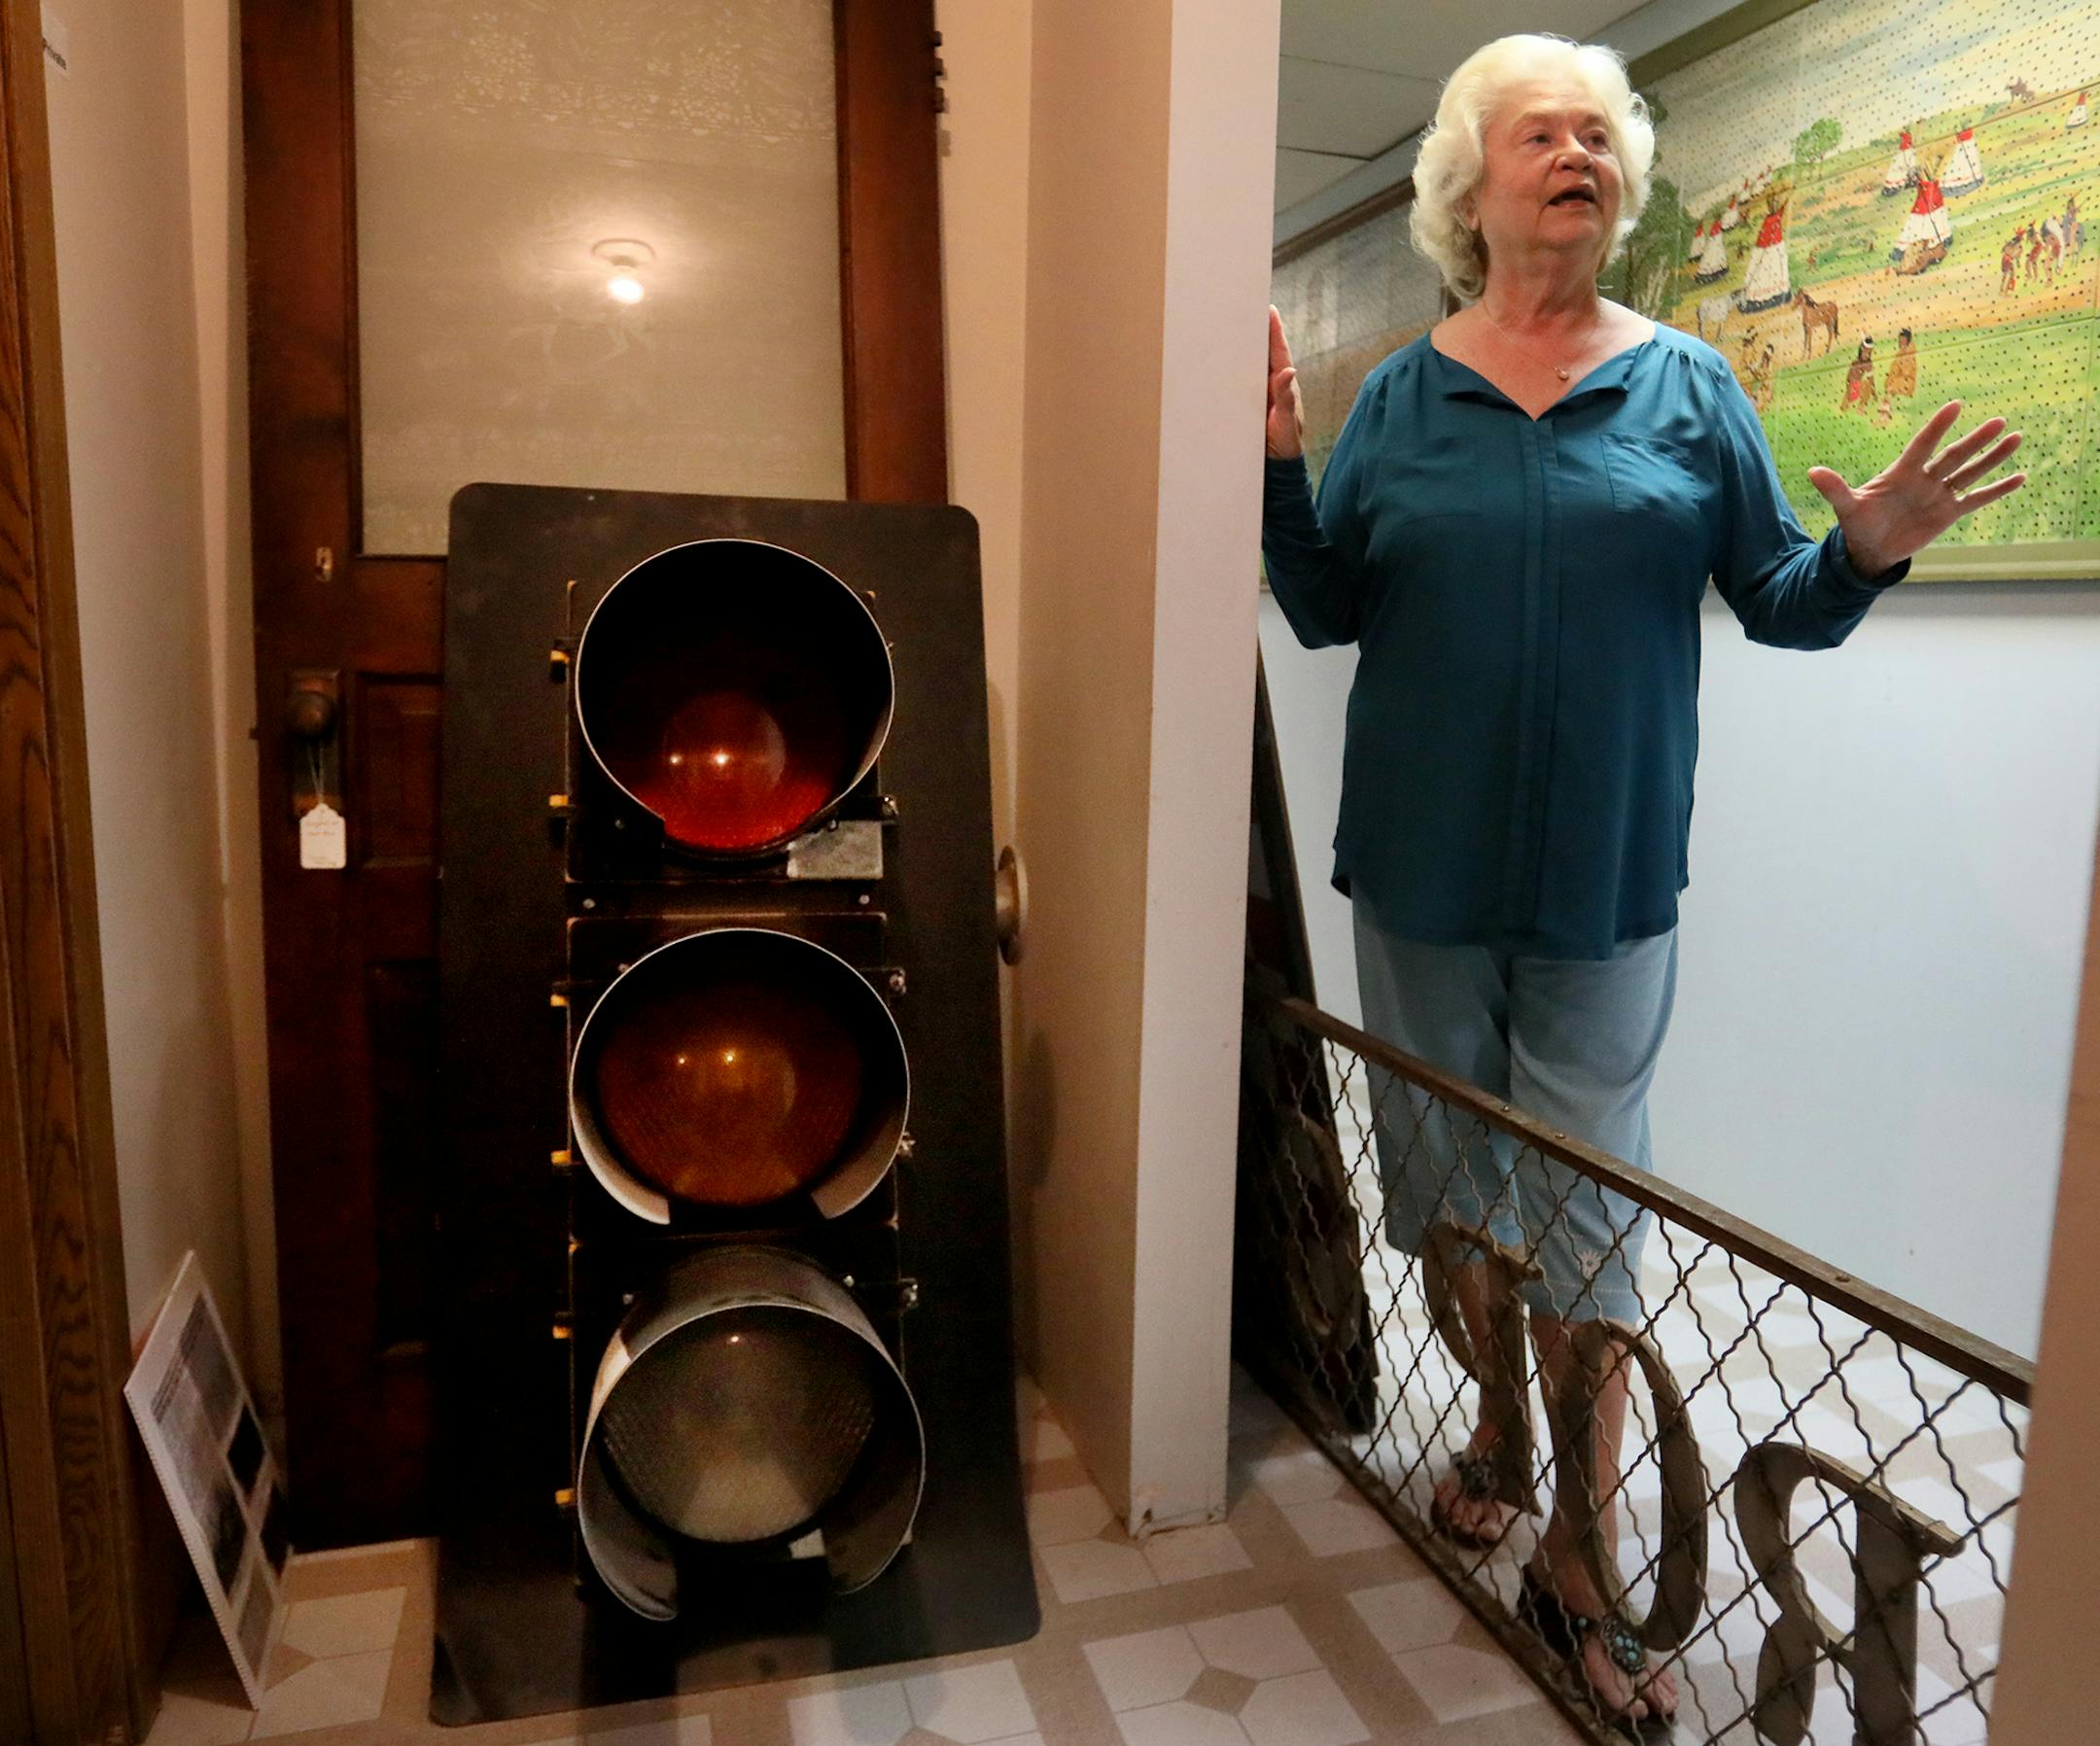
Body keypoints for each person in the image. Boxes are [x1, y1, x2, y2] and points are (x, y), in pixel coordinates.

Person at [1260, 31, 2024, 1734]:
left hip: (1610, 874)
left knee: (1593, 1210)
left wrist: (1870, 550)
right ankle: (1498, 1435)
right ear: (1473, 182)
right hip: (1422, 867)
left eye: (1603, 133)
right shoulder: (1401, 393)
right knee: (1457, 1191)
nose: (1580, 153)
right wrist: (1264, 474)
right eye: (1545, 132)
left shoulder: (1690, 384)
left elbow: (1784, 594)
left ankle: (1584, 1549)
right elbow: (1325, 606)